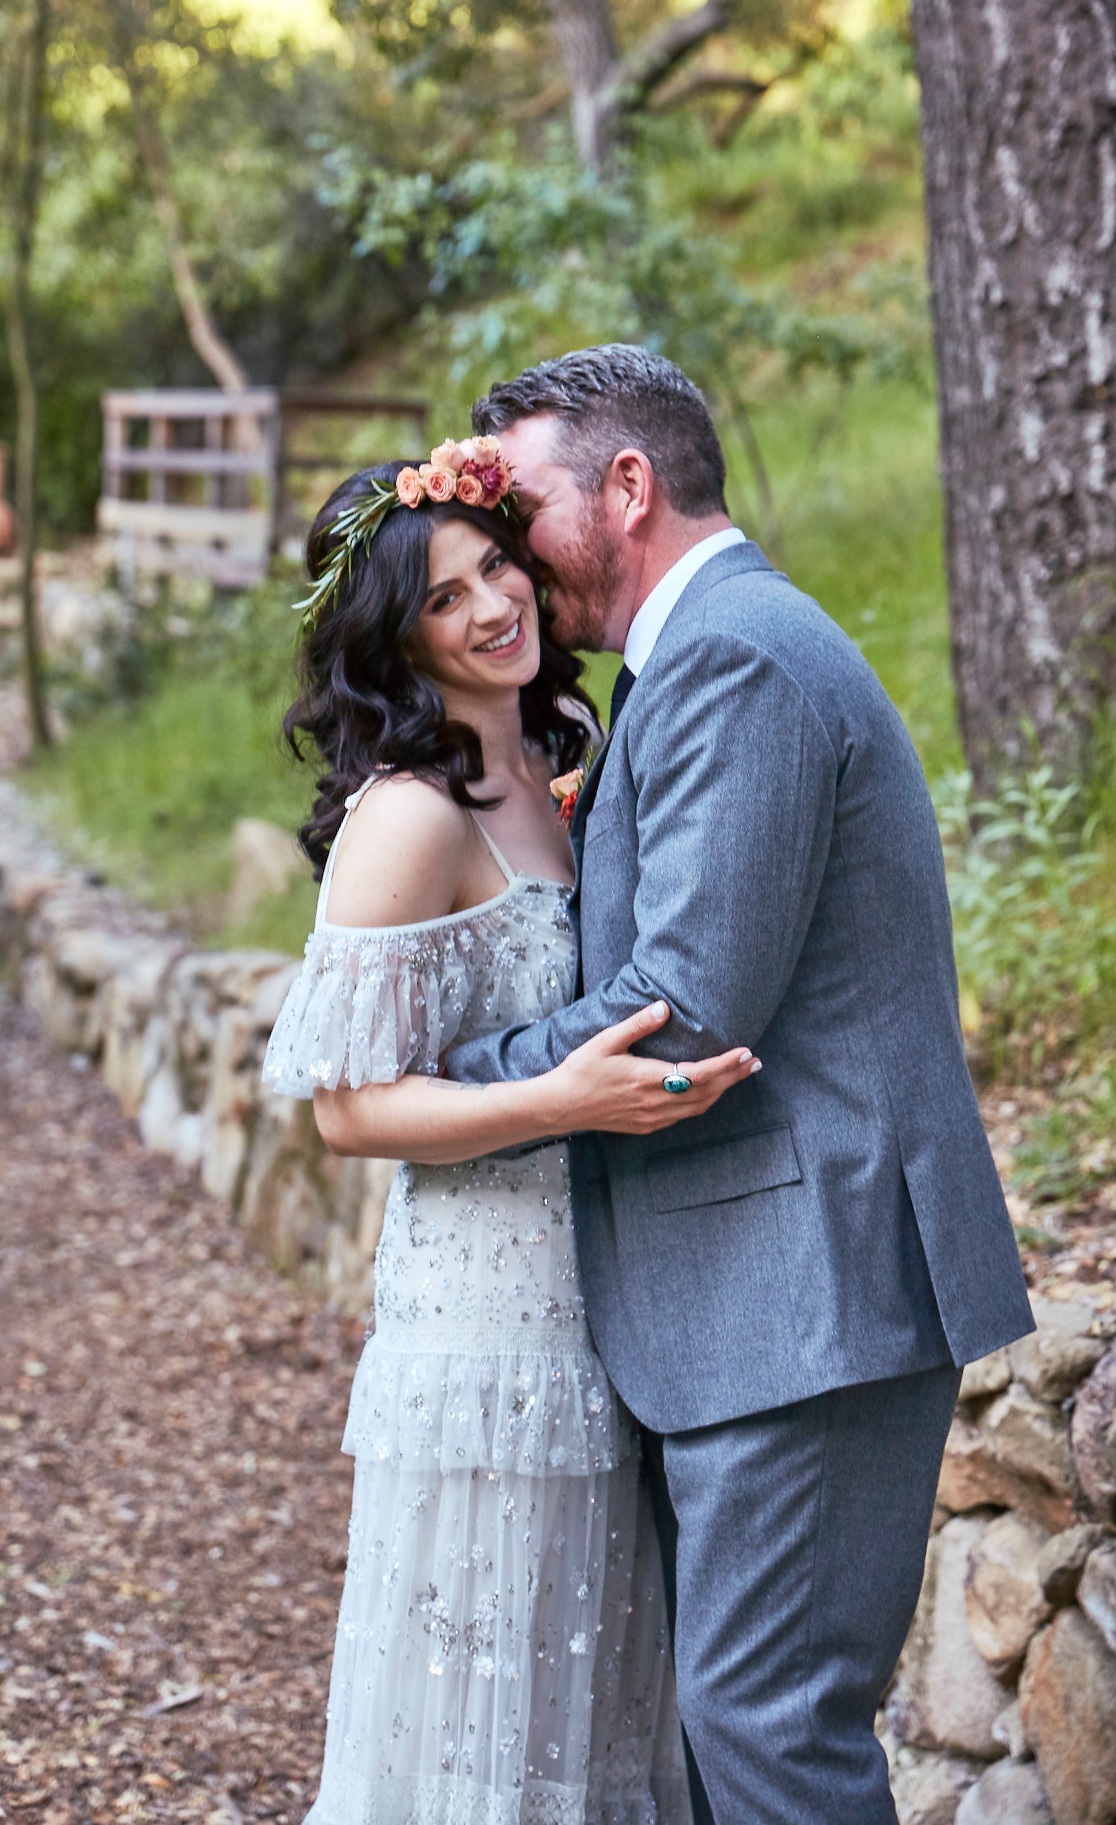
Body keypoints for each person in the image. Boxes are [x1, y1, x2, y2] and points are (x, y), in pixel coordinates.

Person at [319, 348, 1036, 1825]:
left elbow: (687, 1009)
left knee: (762, 1726)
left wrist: (456, 1072)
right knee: (726, 1730)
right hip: (751, 1297)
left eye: (522, 515)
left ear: (629, 487)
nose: (510, 560)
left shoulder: (736, 656)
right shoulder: (668, 672)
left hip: (807, 1284)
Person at [262, 443, 758, 1825]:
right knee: (486, 1709)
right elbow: (350, 1106)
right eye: (445, 598)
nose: (494, 606)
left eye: (498, 565)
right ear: (393, 640)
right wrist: (564, 1102)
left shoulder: (561, 758)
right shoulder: (409, 819)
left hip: (599, 1299)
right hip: (481, 1324)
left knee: (592, 1699)